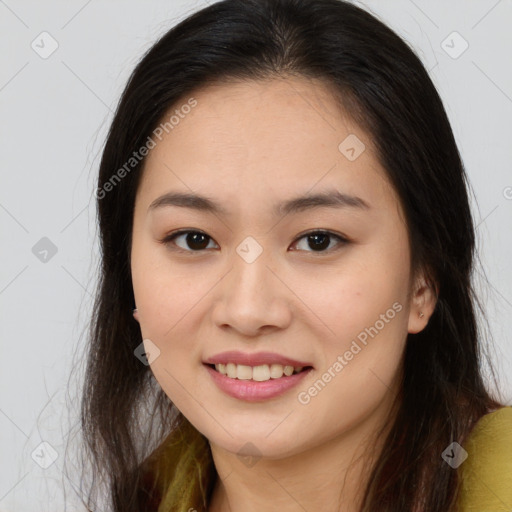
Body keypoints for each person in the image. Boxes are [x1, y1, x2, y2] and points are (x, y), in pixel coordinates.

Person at [77, 0, 512, 511]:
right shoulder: (150, 493)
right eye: (194, 239)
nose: (247, 311)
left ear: (423, 282)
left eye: (318, 240)